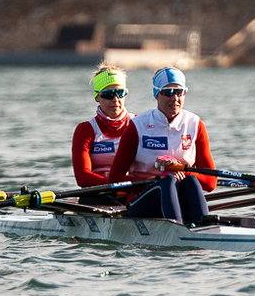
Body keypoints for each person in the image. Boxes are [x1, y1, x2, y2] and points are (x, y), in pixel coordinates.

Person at [107, 67, 217, 225]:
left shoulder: (195, 124)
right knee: (167, 181)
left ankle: (205, 230)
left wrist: (181, 171)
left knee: (191, 180)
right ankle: (178, 230)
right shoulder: (138, 126)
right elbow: (114, 179)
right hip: (142, 202)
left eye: (179, 92)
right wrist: (156, 179)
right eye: (168, 92)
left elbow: (211, 182)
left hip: (180, 199)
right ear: (156, 94)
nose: (174, 98)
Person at [71, 65, 134, 197]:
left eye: (120, 93)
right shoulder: (85, 129)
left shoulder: (139, 124)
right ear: (97, 97)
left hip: (132, 191)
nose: (116, 100)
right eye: (108, 95)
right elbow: (82, 177)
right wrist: (115, 185)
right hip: (98, 193)